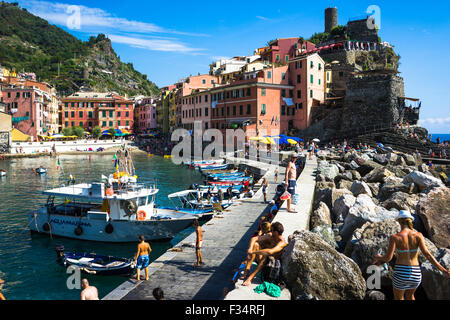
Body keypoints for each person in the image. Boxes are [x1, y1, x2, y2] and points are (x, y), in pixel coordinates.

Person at [373, 210, 450, 300]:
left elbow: (388, 258)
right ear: (410, 220)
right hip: (416, 273)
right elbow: (428, 255)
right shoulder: (418, 235)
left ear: (399, 221)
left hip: (401, 273)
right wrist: (444, 270)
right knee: (410, 296)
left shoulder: (395, 237)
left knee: (399, 298)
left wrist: (378, 257)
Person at [242, 222, 288, 286]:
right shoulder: (270, 236)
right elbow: (254, 238)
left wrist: (253, 252)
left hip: (271, 265)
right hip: (262, 261)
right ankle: (247, 270)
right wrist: (250, 249)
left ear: (276, 232)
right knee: (255, 245)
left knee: (266, 255)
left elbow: (270, 252)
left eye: (272, 230)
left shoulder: (282, 243)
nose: (270, 232)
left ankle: (250, 278)